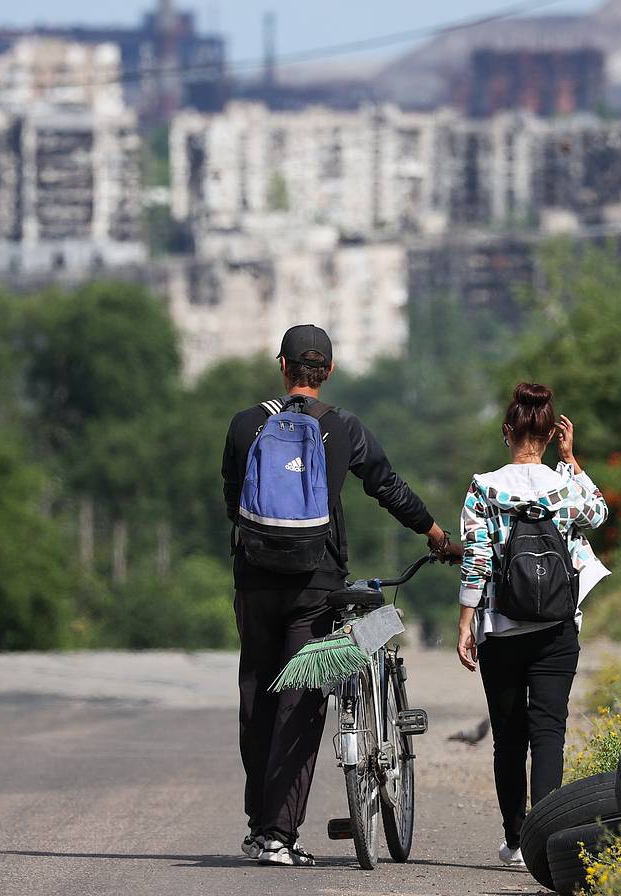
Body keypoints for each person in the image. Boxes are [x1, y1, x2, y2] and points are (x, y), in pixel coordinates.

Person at [222, 323, 462, 866]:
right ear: (327, 372)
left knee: (257, 697)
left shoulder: (243, 426)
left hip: (255, 581)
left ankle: (260, 827)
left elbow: (232, 504)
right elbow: (388, 486)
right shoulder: (344, 428)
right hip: (317, 585)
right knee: (300, 701)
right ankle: (281, 835)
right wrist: (436, 535)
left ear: (283, 367)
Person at [455, 382, 610, 869]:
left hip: (501, 630)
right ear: (548, 434)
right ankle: (546, 840)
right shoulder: (565, 486)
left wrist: (465, 621)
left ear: (508, 431)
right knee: (549, 732)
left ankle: (515, 841)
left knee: (508, 735)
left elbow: (476, 560)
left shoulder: (484, 487)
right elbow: (599, 514)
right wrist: (573, 460)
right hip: (558, 628)